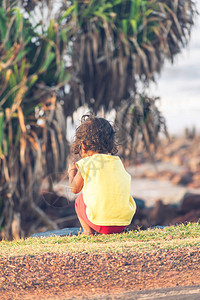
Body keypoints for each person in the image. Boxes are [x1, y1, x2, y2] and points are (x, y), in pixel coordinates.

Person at [68, 114, 136, 235]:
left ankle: (88, 232)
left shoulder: (87, 163)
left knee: (79, 200)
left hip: (101, 225)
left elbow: (74, 189)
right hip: (123, 222)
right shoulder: (117, 162)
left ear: (83, 145)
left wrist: (71, 172)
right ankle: (118, 226)